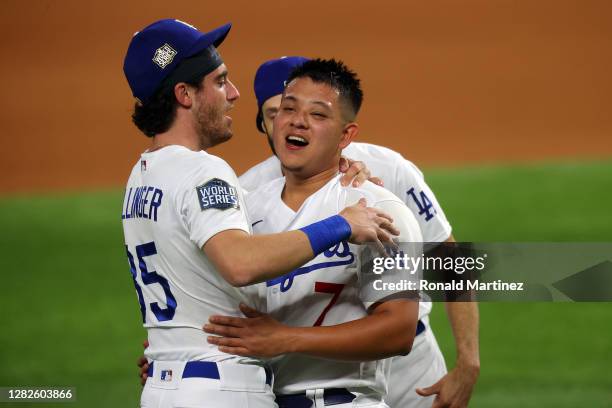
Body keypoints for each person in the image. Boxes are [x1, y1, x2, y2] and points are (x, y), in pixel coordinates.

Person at [122, 19, 399, 408]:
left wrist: (171, 348)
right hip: (221, 386)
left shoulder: (141, 177)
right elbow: (240, 264)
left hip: (166, 386)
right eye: (220, 82)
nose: (233, 94)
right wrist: (342, 223)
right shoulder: (205, 171)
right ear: (184, 94)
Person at [238, 56, 481, 408]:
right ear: (261, 122)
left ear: (342, 129)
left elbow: (448, 262)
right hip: (301, 373)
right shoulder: (247, 196)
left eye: (317, 114)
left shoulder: (385, 172)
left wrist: (467, 362)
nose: (293, 123)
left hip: (411, 368)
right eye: (277, 112)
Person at [204, 58, 423, 408]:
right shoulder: (243, 212)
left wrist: (287, 339)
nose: (297, 121)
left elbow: (398, 330)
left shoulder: (377, 210)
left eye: (318, 115)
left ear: (346, 135)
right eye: (287, 108)